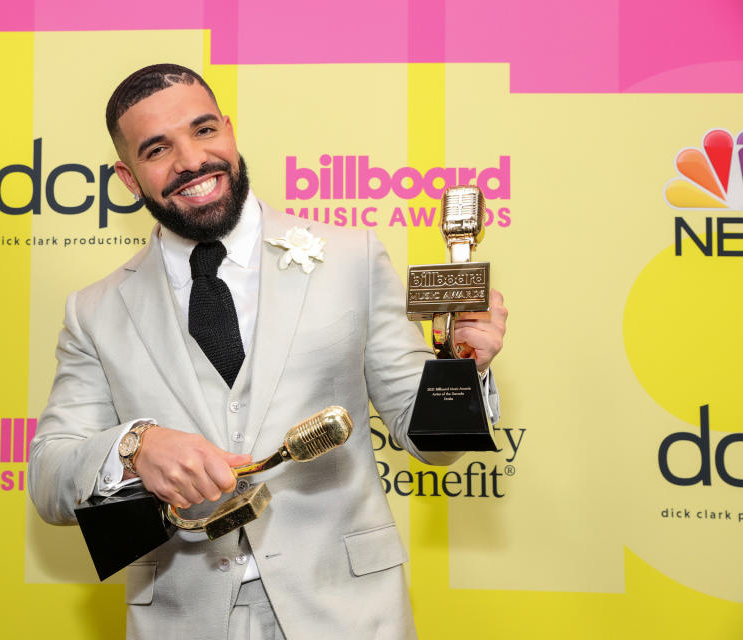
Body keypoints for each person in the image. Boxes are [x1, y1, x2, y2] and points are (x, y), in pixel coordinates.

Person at [28, 63, 507, 640]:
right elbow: (50, 476)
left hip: (349, 615)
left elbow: (430, 442)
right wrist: (135, 446)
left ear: (229, 130)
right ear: (128, 178)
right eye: (158, 149)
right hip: (183, 622)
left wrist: (463, 370)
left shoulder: (352, 258)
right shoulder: (95, 310)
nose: (190, 161)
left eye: (203, 131)